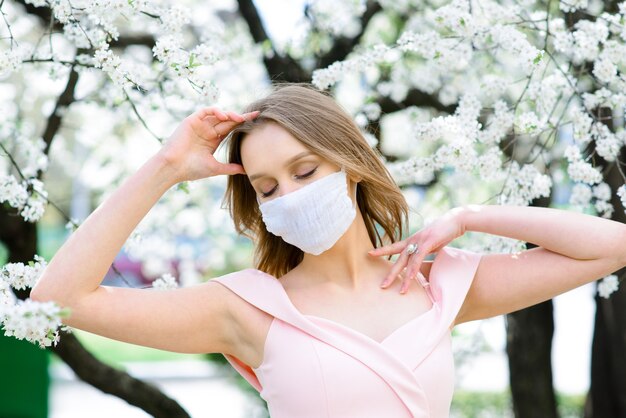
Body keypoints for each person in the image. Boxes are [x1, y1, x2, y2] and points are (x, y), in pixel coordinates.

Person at [31, 82, 626, 417]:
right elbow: (59, 300)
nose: (288, 195)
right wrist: (164, 167)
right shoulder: (248, 309)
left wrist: (471, 216)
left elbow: (612, 246)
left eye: (305, 170)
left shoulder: (434, 284)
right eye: (267, 188)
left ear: (352, 165)